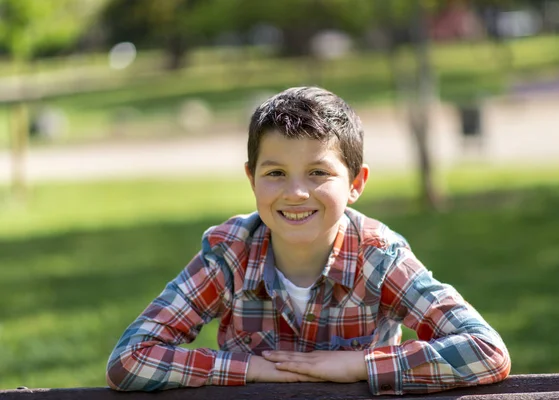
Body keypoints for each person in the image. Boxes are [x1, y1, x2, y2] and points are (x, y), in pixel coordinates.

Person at [106, 86, 510, 395]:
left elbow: (485, 351)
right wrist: (249, 369)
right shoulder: (230, 253)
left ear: (356, 183)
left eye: (318, 173)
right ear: (252, 179)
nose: (296, 193)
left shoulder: (378, 257)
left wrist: (359, 365)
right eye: (276, 173)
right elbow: (129, 360)